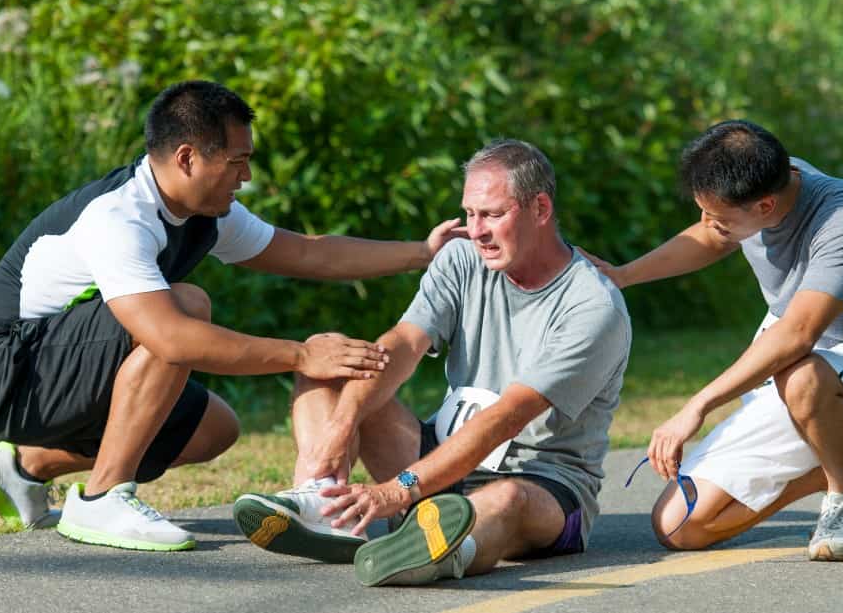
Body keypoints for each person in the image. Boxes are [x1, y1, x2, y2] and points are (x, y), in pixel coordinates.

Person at [0, 80, 466, 552]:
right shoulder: (119, 217)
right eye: (237, 161)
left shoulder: (205, 214)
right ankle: (101, 499)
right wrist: (302, 355)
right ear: (187, 158)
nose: (245, 177)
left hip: (54, 369)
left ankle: (25, 466)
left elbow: (312, 254)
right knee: (185, 308)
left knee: (213, 429)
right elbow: (173, 339)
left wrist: (422, 251)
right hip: (8, 372)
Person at [232, 139, 631, 586]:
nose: (476, 230)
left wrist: (397, 489)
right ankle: (326, 505)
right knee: (330, 362)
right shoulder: (463, 257)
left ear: (540, 209)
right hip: (440, 458)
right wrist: (344, 423)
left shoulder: (593, 306)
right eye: (470, 213)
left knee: (507, 499)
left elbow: (505, 418)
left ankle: (444, 551)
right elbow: (403, 344)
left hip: (543, 485)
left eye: (493, 215)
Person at [588, 120, 843, 561]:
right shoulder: (767, 184)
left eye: (719, 217)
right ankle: (841, 467)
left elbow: (798, 335)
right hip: (784, 375)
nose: (708, 224)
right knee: (679, 526)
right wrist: (622, 276)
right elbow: (710, 237)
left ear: (764, 208)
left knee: (800, 374)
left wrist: (696, 406)